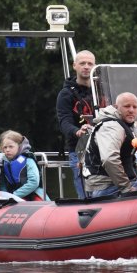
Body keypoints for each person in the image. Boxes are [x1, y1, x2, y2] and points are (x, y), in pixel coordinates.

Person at [82, 92, 137, 197]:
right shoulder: (111, 126)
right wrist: (126, 188)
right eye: (127, 106)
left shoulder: (129, 125)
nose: (131, 110)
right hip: (107, 186)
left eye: (135, 107)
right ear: (116, 107)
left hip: (119, 183)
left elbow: (129, 157)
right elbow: (109, 159)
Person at [56, 50, 96, 198]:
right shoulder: (66, 94)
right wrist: (77, 131)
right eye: (82, 63)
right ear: (74, 66)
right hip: (79, 150)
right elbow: (64, 121)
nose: (86, 66)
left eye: (90, 63)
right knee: (85, 194)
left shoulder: (100, 90)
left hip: (104, 148)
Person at [0, 130, 48, 201]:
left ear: (19, 146)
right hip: (12, 194)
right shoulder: (3, 162)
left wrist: (14, 195)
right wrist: (6, 196)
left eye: (11, 147)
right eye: (5, 147)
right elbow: (2, 184)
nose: (7, 150)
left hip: (32, 193)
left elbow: (34, 182)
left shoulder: (28, 160)